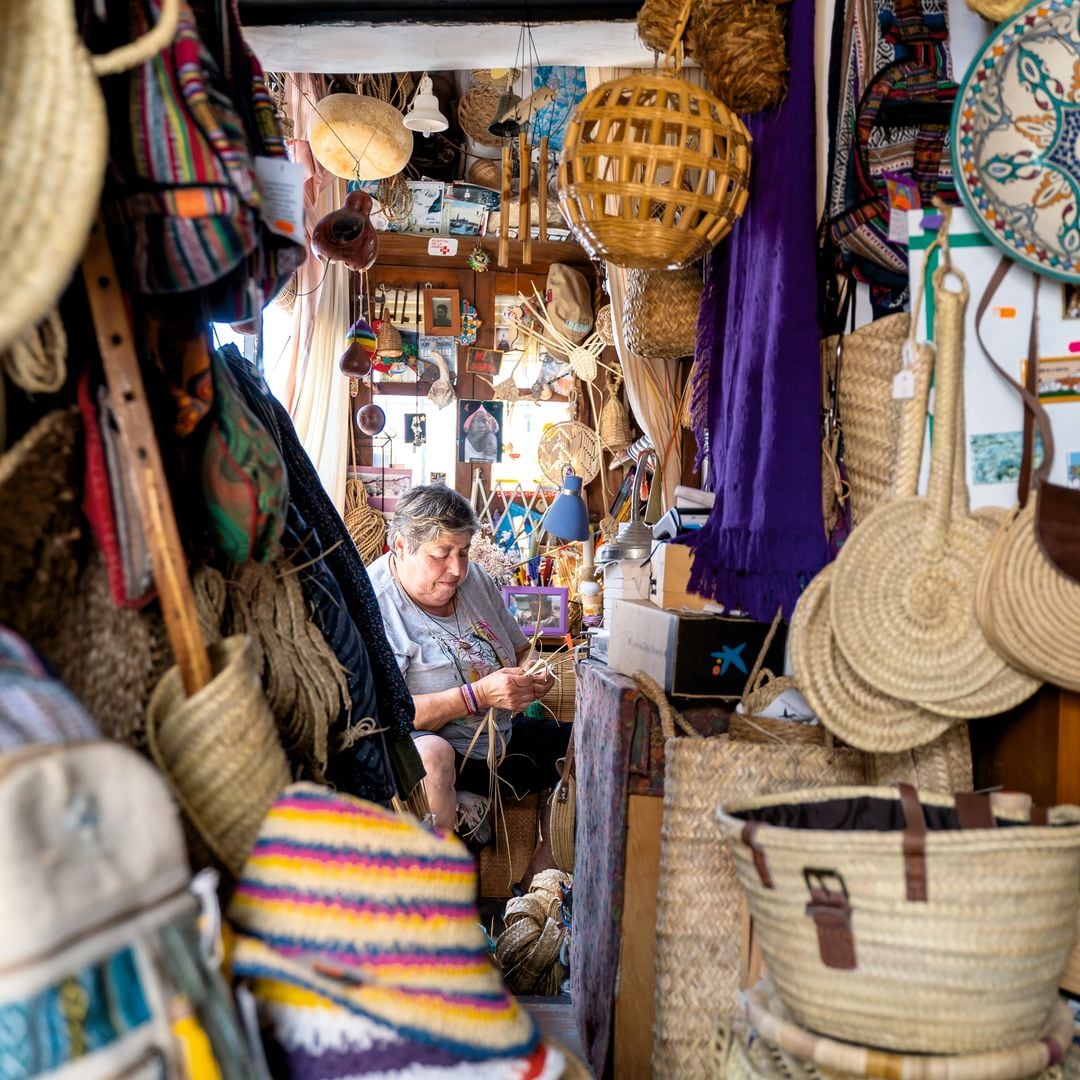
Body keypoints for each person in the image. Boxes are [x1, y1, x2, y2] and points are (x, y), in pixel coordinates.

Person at [368, 485, 568, 832]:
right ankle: (440, 876)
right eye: (441, 553)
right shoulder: (376, 603)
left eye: (463, 552)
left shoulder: (473, 578)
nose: (456, 569)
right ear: (400, 546)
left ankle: (543, 870)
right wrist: (476, 695)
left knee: (587, 741)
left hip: (500, 741)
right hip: (432, 755)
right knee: (432, 755)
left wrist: (534, 672)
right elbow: (384, 714)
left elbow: (522, 650)